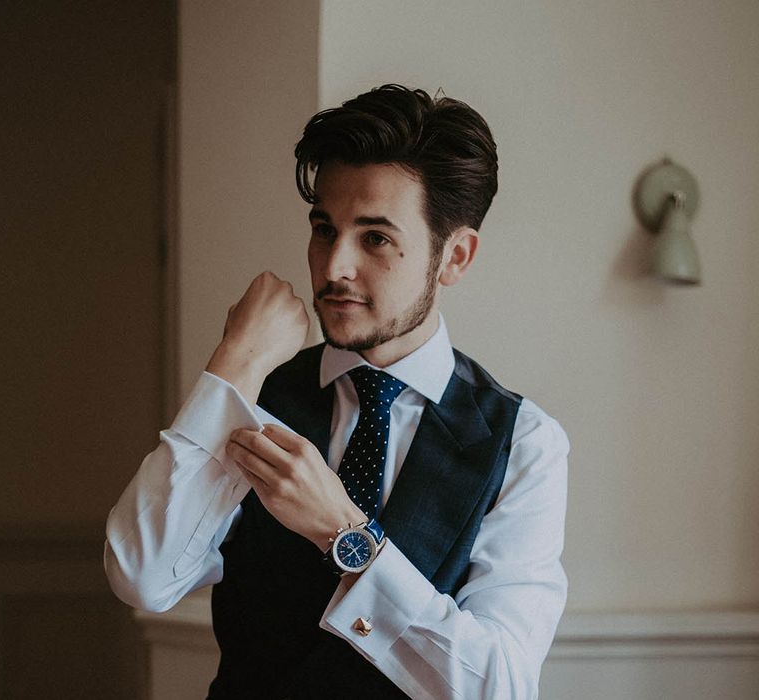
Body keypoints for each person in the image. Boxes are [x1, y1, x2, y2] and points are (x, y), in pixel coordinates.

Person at [104, 84, 569, 699]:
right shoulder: (253, 395)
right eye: (325, 229)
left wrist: (344, 533)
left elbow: (500, 687)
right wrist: (234, 364)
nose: (333, 267)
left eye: (375, 238)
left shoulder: (523, 443)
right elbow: (142, 575)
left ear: (454, 257)